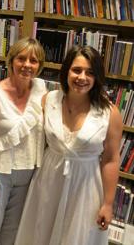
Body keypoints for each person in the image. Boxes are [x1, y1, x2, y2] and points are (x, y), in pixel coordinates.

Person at [15, 46, 123, 245]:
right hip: (48, 181)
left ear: (97, 77)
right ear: (66, 71)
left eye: (90, 72)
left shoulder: (110, 113)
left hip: (85, 185)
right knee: (40, 233)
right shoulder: (49, 100)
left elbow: (111, 159)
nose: (82, 77)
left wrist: (108, 204)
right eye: (77, 70)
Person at [0, 37, 47, 245]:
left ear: (39, 66)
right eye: (21, 59)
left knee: (12, 232)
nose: (27, 65)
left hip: (28, 172)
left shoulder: (42, 90)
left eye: (33, 61)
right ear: (11, 61)